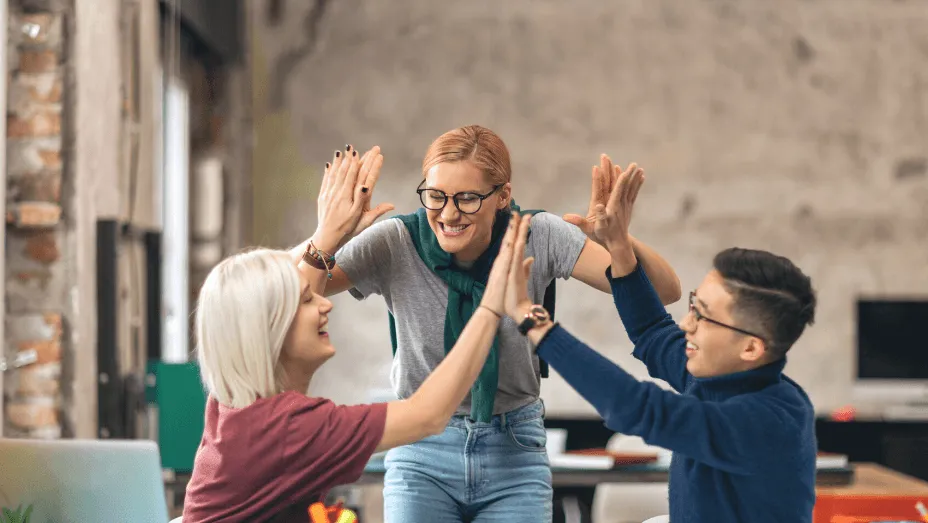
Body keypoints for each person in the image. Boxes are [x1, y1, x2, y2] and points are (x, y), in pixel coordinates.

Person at [293, 126, 682, 522]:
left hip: (514, 449)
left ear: (503, 196)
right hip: (422, 447)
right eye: (436, 195)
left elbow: (664, 292)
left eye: (467, 198)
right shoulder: (397, 241)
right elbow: (284, 292)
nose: (448, 213)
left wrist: (618, 239)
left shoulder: (537, 234)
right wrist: (327, 235)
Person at [181, 146, 531, 523]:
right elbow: (427, 415)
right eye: (304, 302)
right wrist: (491, 304)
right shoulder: (288, 428)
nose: (325, 303)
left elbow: (242, 300)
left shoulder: (234, 406)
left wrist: (325, 238)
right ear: (266, 329)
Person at [501, 164, 818, 522]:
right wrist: (619, 246)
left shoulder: (769, 420)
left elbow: (638, 407)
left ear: (751, 348)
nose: (687, 323)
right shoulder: (715, 377)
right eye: (692, 306)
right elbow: (652, 330)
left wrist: (534, 321)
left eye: (703, 315)